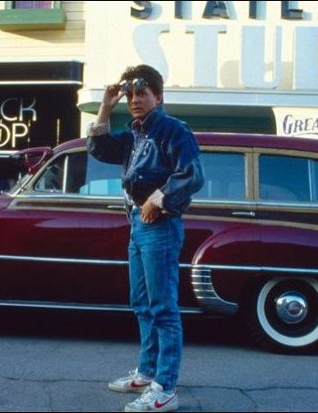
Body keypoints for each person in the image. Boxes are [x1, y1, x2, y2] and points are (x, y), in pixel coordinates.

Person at [86, 65, 204, 412]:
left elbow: (192, 175)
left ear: (158, 96)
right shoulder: (134, 135)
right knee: (141, 302)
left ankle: (165, 388)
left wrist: (159, 199)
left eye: (142, 93)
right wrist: (106, 106)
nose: (135, 100)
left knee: (163, 308)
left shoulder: (172, 130)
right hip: (138, 224)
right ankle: (147, 371)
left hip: (160, 225)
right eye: (131, 95)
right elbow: (99, 149)